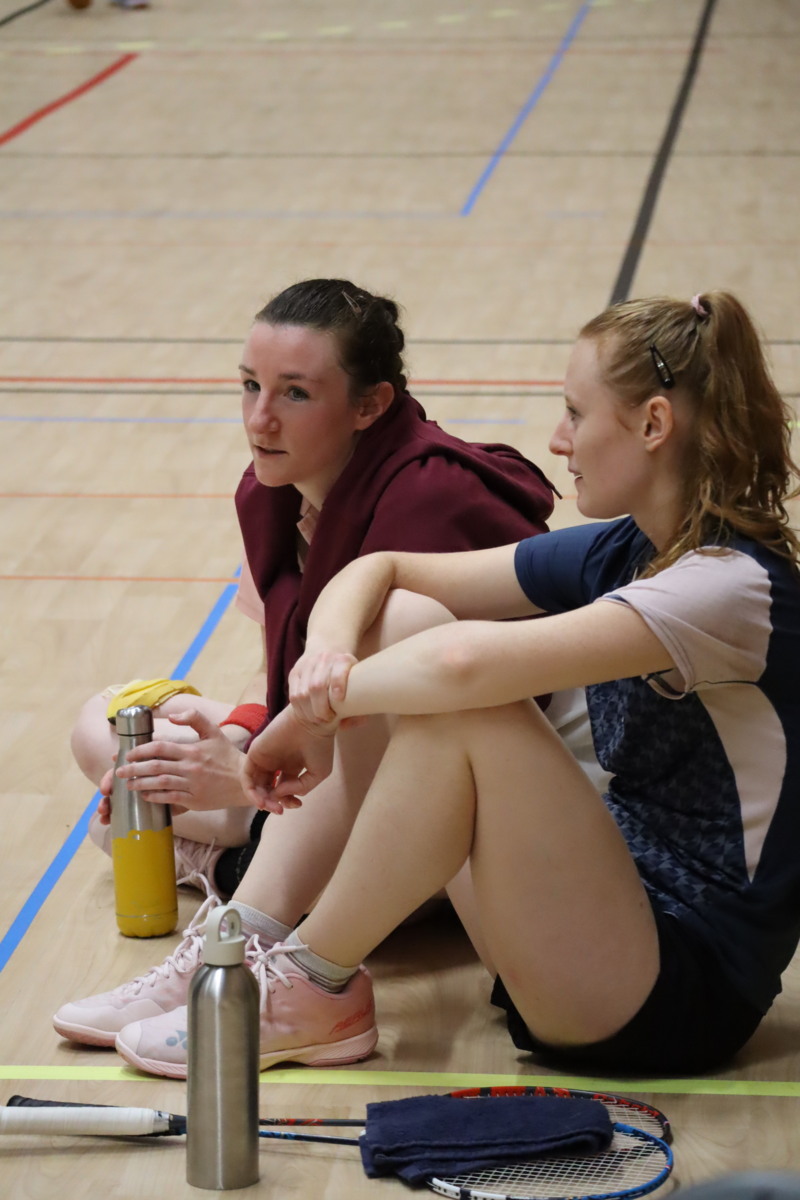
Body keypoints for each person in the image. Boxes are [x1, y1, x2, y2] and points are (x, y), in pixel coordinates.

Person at [72, 288, 800, 1080]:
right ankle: (246, 934)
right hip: (591, 925)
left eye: (574, 413)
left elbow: (463, 666)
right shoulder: (627, 548)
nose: (558, 439)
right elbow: (381, 571)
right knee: (404, 619)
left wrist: (313, 714)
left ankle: (313, 981)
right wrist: (323, 669)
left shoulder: (728, 588)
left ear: (654, 424)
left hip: (676, 991)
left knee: (461, 708)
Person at [55, 278, 600, 1056]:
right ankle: (230, 874)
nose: (259, 418)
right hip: (332, 770)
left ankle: (236, 897)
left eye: (296, 393)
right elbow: (286, 678)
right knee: (104, 724)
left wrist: (241, 776)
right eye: (250, 385)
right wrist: (240, 735)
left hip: (465, 826)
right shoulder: (274, 490)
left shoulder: (430, 498)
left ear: (370, 405)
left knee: (389, 635)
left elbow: (419, 733)